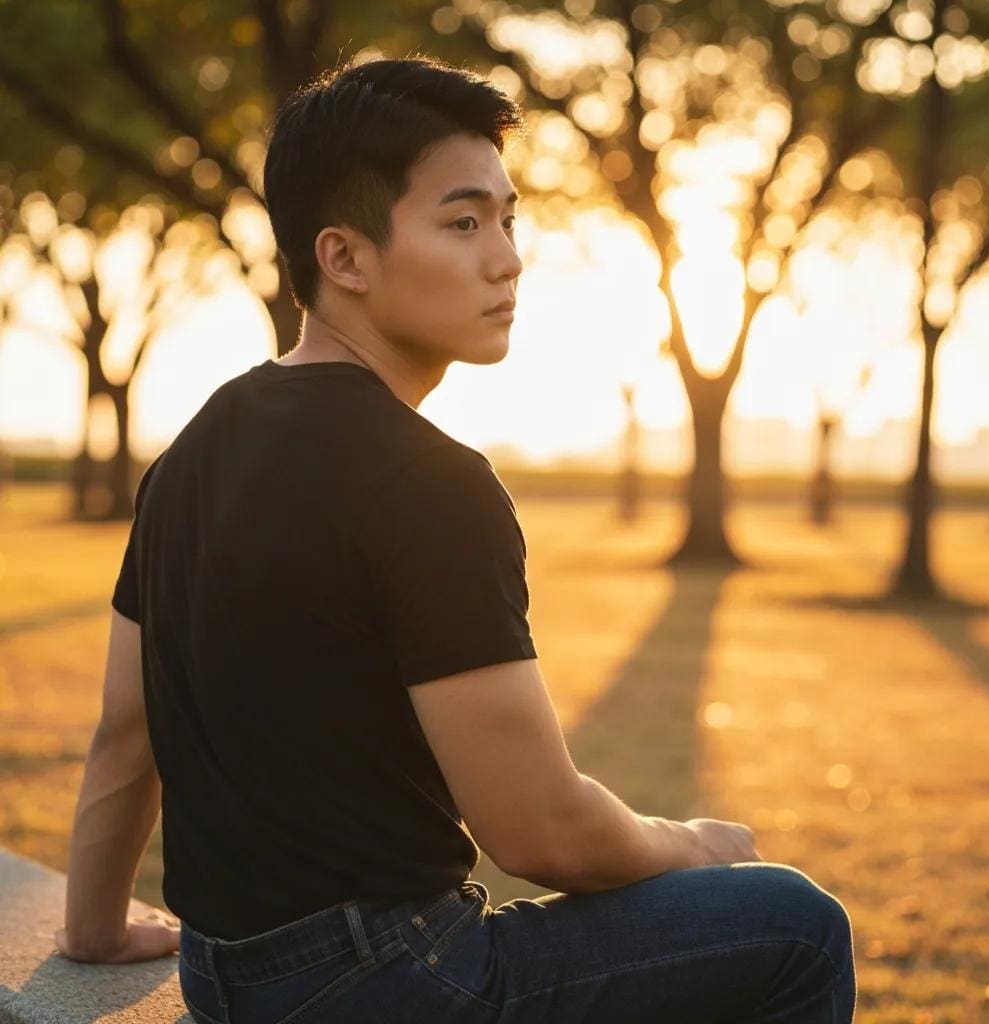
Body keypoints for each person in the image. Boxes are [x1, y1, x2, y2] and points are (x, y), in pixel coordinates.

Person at [56, 55, 857, 1022]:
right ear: (344, 259)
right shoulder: (430, 483)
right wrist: (691, 845)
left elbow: (126, 729)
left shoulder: (194, 450)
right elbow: (541, 831)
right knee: (794, 924)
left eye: (509, 219)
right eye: (463, 221)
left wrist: (93, 932)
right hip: (386, 981)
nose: (508, 257)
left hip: (226, 980)